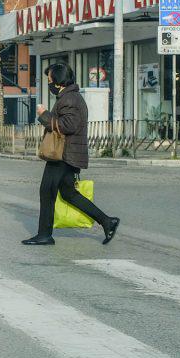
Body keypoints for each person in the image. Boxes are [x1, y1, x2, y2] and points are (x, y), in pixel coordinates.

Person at [23, 62, 120, 246]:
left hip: (63, 154)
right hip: (67, 153)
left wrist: (44, 115)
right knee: (68, 193)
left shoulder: (70, 99)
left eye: (50, 80)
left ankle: (44, 235)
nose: (49, 83)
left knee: (47, 191)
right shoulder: (68, 97)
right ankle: (107, 221)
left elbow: (68, 126)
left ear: (59, 81)